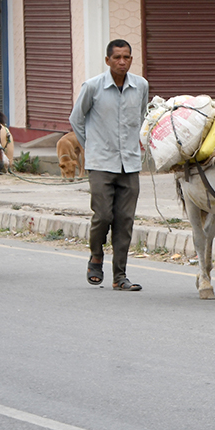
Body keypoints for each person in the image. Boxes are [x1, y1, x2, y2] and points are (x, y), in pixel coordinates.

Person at [70, 39, 149, 292]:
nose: (122, 62)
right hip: (101, 163)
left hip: (130, 164)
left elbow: (142, 117)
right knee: (103, 215)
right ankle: (96, 256)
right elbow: (76, 119)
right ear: (107, 60)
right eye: (117, 58)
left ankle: (120, 276)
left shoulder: (141, 85)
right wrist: (91, 147)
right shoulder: (93, 86)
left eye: (126, 57)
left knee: (125, 220)